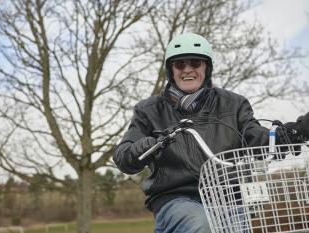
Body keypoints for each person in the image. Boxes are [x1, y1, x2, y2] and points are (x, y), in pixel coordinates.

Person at [113, 33, 309, 233]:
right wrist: (147, 145)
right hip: (177, 200)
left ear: (207, 68)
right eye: (180, 64)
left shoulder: (233, 103)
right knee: (204, 225)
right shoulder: (149, 110)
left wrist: (296, 132)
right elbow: (123, 157)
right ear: (171, 70)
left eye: (196, 63)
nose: (188, 69)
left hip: (230, 201)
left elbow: (256, 139)